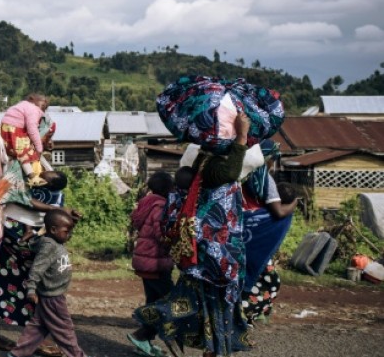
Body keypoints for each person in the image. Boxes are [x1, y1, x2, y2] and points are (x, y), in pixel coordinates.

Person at [133, 112, 253, 357]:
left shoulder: (202, 161)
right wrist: (241, 137)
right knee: (211, 301)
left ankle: (211, 348)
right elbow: (229, 172)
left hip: (209, 251)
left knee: (206, 302)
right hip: (214, 253)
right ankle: (152, 325)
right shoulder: (214, 168)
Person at [6, 209, 85, 357]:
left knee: (37, 328)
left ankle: (17, 354)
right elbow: (37, 269)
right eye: (66, 231)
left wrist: (73, 223)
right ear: (53, 229)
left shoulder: (55, 239)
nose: (69, 235)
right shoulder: (49, 246)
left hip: (51, 296)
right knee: (64, 330)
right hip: (53, 297)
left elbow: (65, 233)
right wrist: (31, 289)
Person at [239, 140, 299, 324]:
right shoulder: (264, 178)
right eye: (274, 158)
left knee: (239, 274)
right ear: (267, 158)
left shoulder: (237, 174)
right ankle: (244, 313)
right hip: (256, 235)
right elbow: (279, 212)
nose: (274, 162)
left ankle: (238, 312)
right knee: (269, 280)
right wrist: (294, 203)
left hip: (238, 230)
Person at [128, 172, 175, 357]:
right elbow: (161, 235)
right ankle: (141, 335)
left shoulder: (147, 202)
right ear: (167, 189)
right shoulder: (160, 206)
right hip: (155, 263)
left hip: (145, 262)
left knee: (154, 301)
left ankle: (143, 343)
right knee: (167, 304)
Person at [0, 94, 50, 186]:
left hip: (4, 129)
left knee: (16, 151)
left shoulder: (22, 104)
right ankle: (32, 176)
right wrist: (39, 148)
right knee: (25, 152)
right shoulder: (35, 110)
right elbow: (32, 129)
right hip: (15, 129)